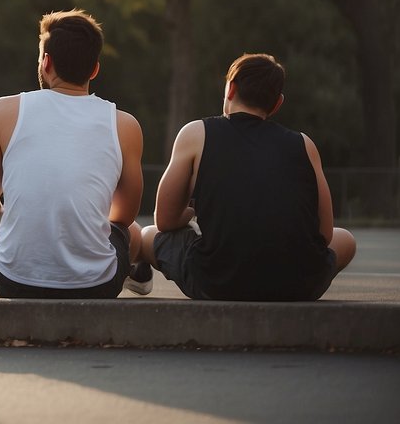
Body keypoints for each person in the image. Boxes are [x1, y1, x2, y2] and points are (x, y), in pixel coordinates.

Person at [140, 53, 356, 301]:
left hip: (218, 282)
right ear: (277, 104)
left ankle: (138, 275)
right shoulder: (304, 144)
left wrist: (192, 209)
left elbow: (165, 221)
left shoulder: (196, 133)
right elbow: (325, 233)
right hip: (298, 285)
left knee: (148, 235)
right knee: (346, 239)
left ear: (230, 89)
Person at [0, 9, 148, 298]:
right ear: (94, 69)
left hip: (13, 281)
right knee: (134, 232)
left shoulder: (1, 111)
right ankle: (135, 271)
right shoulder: (125, 125)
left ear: (46, 62)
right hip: (98, 285)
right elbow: (123, 216)